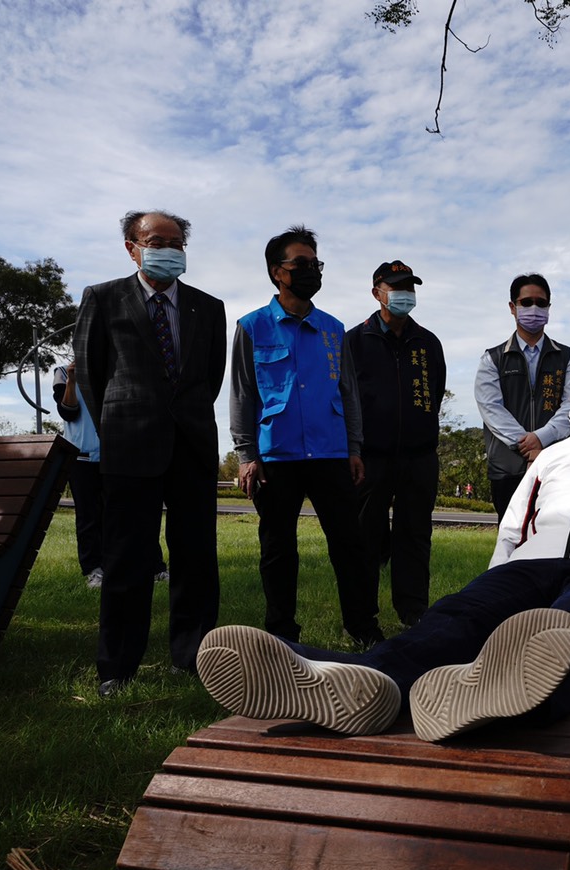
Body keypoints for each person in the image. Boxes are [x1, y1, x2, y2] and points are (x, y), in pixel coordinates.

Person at [194, 352, 570, 742]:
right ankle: (351, 679)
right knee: (451, 623)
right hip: (527, 568)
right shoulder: (552, 455)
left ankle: (486, 695)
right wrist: (497, 590)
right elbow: (512, 528)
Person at [72, 210, 226, 696]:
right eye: (157, 240)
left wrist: (188, 416)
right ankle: (117, 666)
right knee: (127, 557)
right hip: (129, 444)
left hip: (193, 444)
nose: (168, 249)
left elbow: (211, 377)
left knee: (196, 556)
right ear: (131, 246)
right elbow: (92, 375)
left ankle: (195, 655)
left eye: (177, 242)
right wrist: (119, 426)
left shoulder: (209, 307)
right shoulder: (103, 298)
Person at [229, 226, 380, 648]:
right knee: (278, 550)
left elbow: (347, 392)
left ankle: (363, 626)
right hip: (276, 456)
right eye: (301, 264)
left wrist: (353, 448)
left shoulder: (333, 329)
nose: (311, 270)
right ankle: (281, 633)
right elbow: (242, 394)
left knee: (350, 545)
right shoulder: (252, 326)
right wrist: (246, 455)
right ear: (278, 271)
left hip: (331, 452)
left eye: (316, 264)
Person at [345, 260, 446, 628]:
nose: (405, 294)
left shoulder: (428, 343)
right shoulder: (354, 341)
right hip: (370, 458)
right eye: (396, 287)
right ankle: (362, 618)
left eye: (410, 288)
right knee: (365, 537)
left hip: (419, 457)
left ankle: (414, 612)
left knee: (415, 535)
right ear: (377, 293)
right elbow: (344, 398)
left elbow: (434, 395)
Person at [52, 361, 169, 589]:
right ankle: (94, 570)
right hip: (82, 457)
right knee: (88, 518)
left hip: (119, 454)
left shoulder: (119, 369)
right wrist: (73, 381)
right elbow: (68, 412)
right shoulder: (63, 372)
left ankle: (154, 567)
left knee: (134, 513)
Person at [475, 273, 570, 518]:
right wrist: (529, 446)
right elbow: (491, 409)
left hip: (556, 464)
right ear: (513, 307)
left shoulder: (568, 357)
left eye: (541, 303)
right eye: (526, 302)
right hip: (507, 467)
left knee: (555, 533)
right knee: (510, 535)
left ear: (549, 308)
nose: (534, 308)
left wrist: (542, 440)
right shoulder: (493, 358)